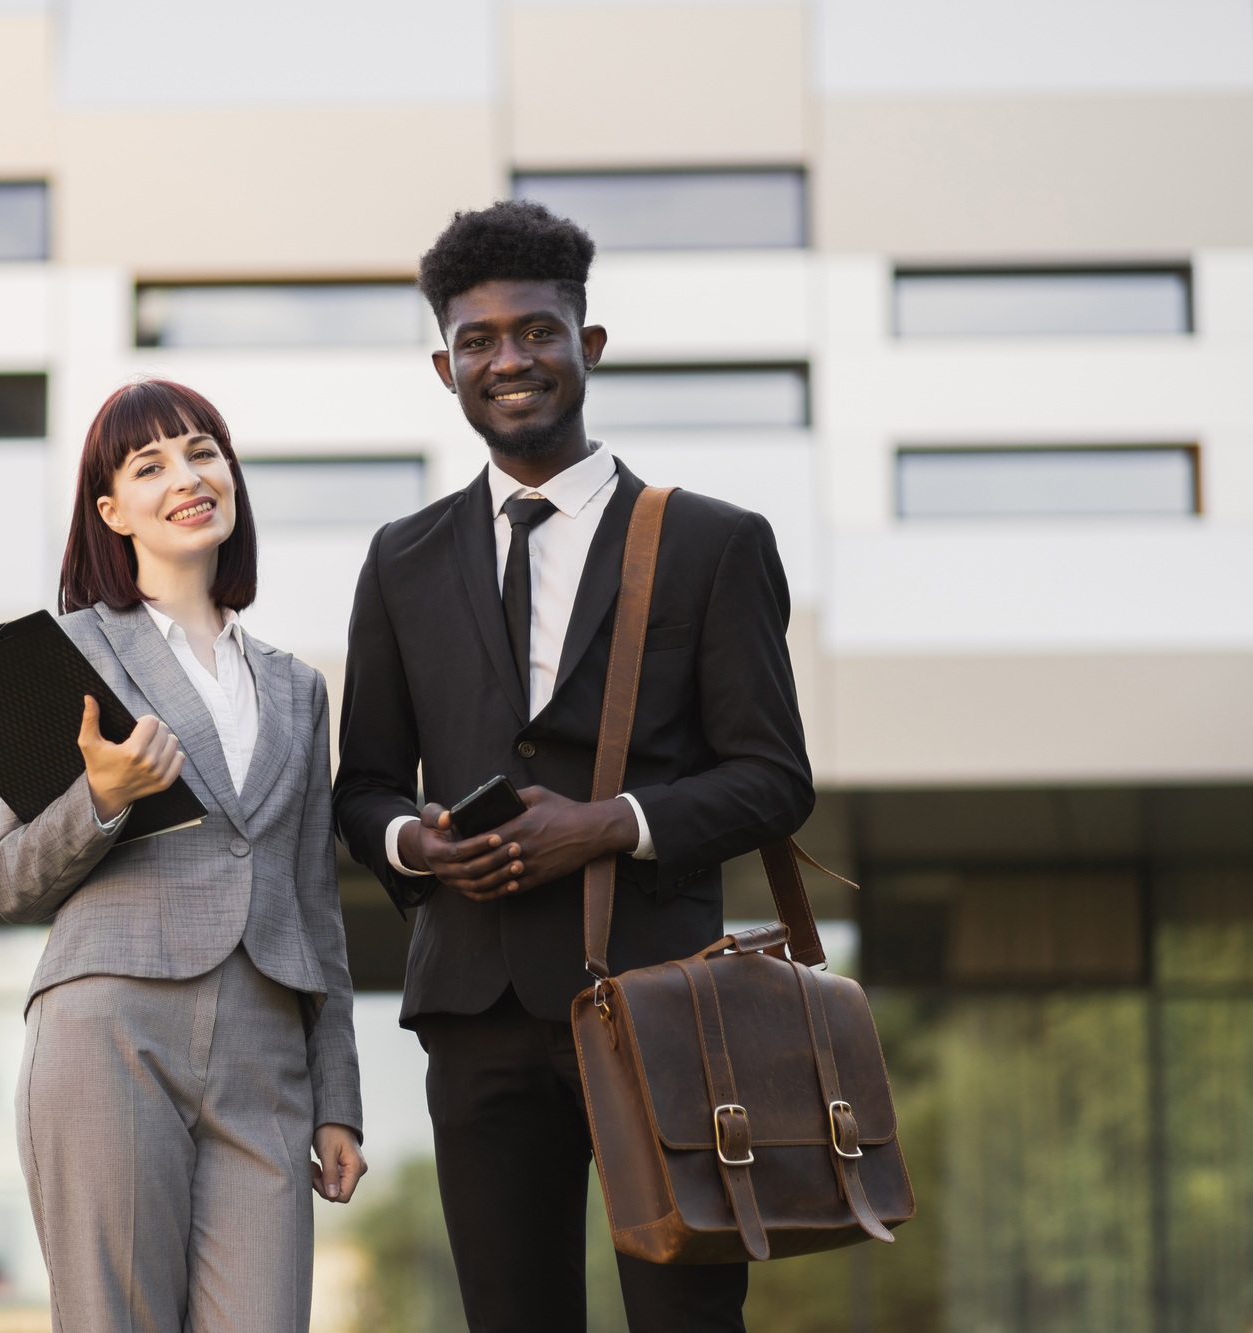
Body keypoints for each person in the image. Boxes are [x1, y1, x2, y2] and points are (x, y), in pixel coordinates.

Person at [333, 200, 815, 1331]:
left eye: (537, 331)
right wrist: (419, 843)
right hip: (474, 1008)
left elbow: (773, 778)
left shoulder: (710, 541)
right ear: (444, 366)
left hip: (659, 1001)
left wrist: (609, 824)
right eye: (479, 340)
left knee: (686, 1319)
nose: (510, 359)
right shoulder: (398, 561)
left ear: (586, 345)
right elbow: (359, 789)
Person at [0, 379, 366, 1333]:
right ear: (111, 511)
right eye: (149, 465)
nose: (187, 477)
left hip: (266, 1050)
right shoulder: (62, 655)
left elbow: (314, 900)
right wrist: (103, 797)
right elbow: (9, 876)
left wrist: (340, 1098)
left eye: (203, 451)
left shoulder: (297, 688)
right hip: (112, 1025)